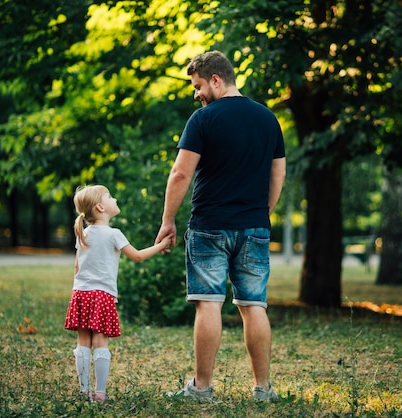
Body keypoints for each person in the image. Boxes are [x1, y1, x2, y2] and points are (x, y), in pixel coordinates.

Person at [155, 50, 286, 402]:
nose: (196, 94)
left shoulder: (203, 120)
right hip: (255, 227)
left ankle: (201, 389)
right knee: (253, 304)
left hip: (210, 226)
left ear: (216, 79)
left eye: (198, 86)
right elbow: (279, 171)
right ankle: (263, 390)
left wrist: (168, 220)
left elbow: (181, 172)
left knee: (208, 303)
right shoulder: (268, 118)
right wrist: (263, 212)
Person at [64, 184, 172, 402]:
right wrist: (163, 245)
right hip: (102, 294)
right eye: (110, 197)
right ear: (100, 207)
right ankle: (101, 393)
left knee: (83, 342)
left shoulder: (83, 233)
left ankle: (84, 391)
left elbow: (77, 267)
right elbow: (138, 256)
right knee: (101, 342)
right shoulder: (114, 234)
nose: (115, 199)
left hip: (81, 293)